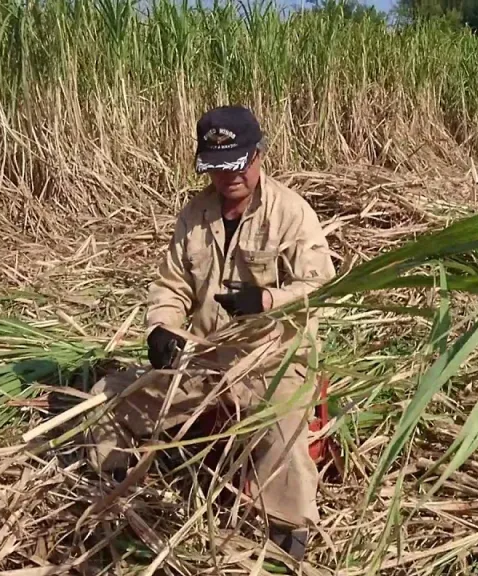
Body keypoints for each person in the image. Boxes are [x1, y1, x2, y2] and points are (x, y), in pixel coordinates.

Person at [88, 105, 336, 562]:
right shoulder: (194, 215)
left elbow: (320, 289)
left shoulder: (292, 213)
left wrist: (266, 301)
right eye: (218, 167)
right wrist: (161, 328)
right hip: (204, 360)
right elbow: (171, 285)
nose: (229, 176)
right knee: (108, 396)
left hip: (269, 359)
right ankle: (113, 497)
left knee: (285, 428)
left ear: (259, 154)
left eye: (238, 163)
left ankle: (285, 537)